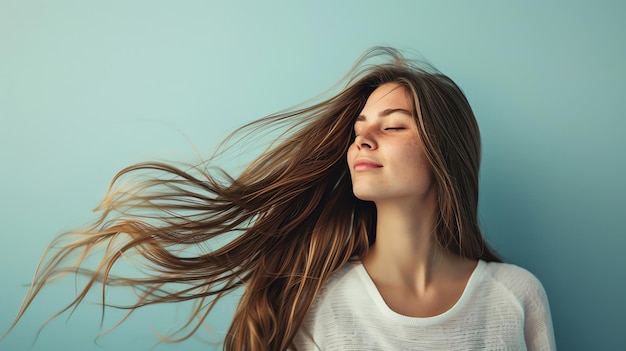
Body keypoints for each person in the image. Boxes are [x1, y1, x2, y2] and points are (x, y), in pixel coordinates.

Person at [6, 47, 555, 350]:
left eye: (394, 126)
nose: (363, 138)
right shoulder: (317, 304)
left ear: (443, 154)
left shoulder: (514, 298)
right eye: (361, 126)